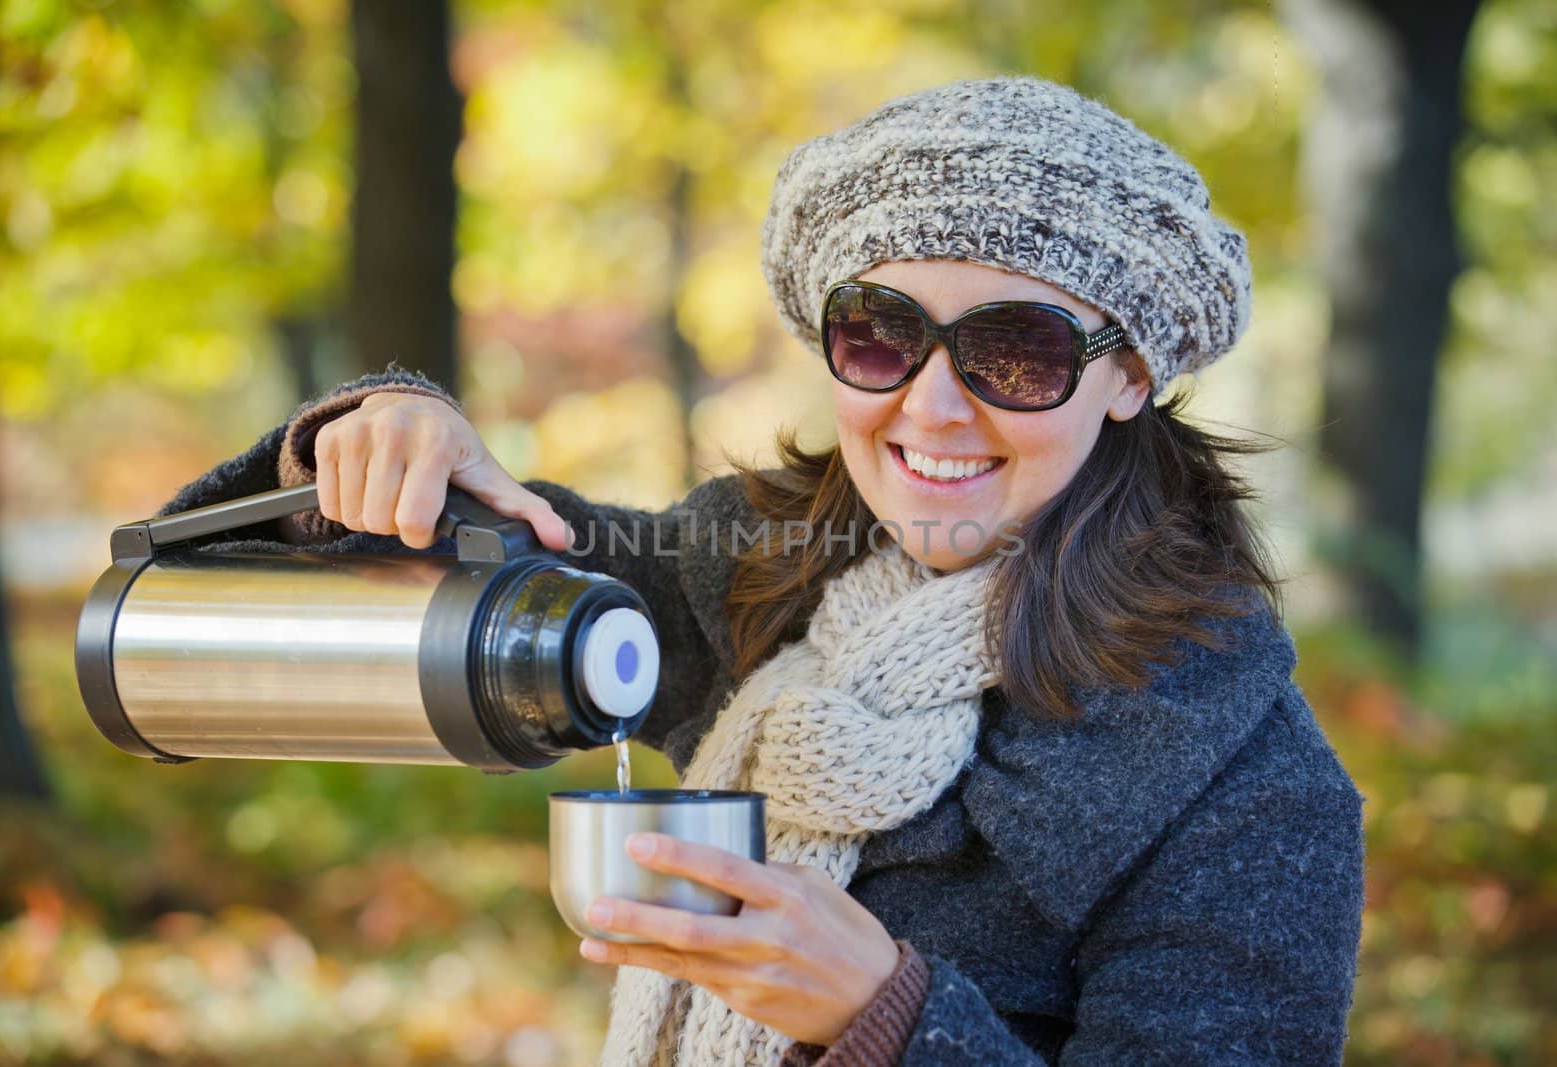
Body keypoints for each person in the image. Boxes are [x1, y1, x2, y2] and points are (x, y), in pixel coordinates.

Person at [163, 77, 1364, 1065]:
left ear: (1129, 377)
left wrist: (889, 1017)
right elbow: (466, 567)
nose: (930, 406)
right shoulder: (745, 571)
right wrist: (386, 439)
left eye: (1016, 349)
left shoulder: (1250, 787)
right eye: (882, 334)